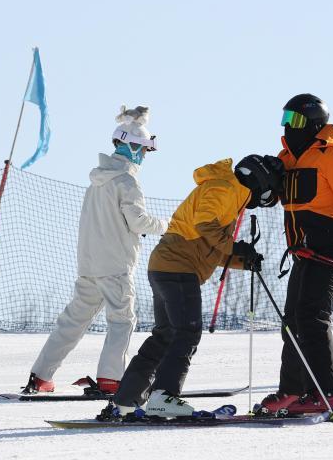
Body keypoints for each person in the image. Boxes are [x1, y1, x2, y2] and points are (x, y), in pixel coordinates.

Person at [102, 155, 285, 419]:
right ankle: (163, 397)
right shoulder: (225, 188)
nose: (265, 200)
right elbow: (205, 225)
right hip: (178, 268)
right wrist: (235, 247)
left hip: (167, 265)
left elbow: (208, 246)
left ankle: (126, 400)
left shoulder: (228, 190)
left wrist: (243, 260)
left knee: (165, 335)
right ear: (260, 182)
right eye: (268, 194)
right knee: (186, 332)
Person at [23, 105, 168, 394]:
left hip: (89, 266)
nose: (144, 156)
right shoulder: (127, 181)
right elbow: (138, 221)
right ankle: (111, 379)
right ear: (133, 147)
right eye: (143, 150)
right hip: (116, 265)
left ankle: (40, 376)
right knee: (122, 320)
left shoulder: (96, 182)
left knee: (73, 321)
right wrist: (167, 225)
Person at [259, 94, 333, 415]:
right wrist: (257, 181)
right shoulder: (287, 158)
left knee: (312, 319)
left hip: (328, 251)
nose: (287, 127)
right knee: (292, 323)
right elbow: (270, 197)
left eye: (293, 120)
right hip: (302, 253)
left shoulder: (331, 156)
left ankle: (326, 394)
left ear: (313, 122)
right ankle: (294, 392)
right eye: (284, 119)